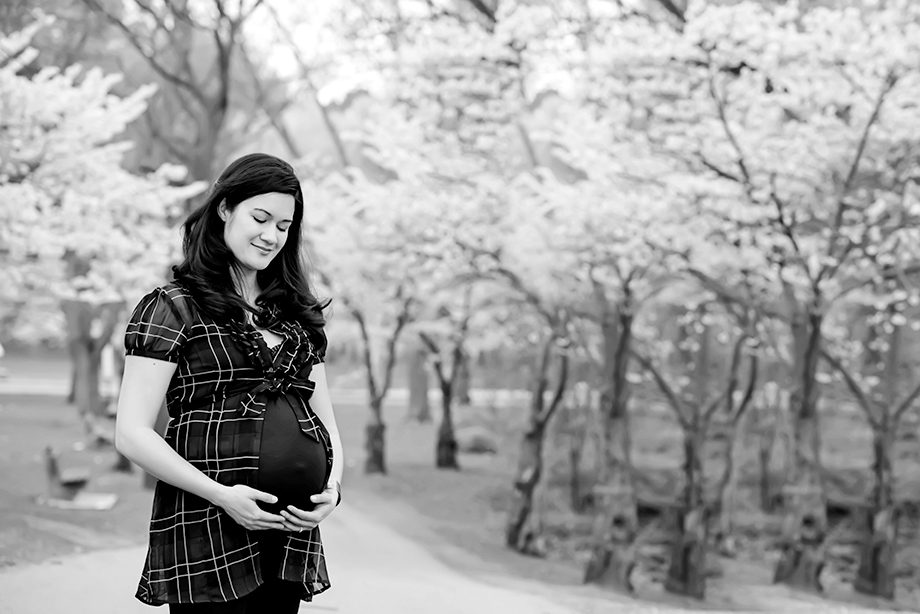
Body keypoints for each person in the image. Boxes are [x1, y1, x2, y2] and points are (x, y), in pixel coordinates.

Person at [115, 153, 343, 613]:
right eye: (260, 217)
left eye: (283, 226)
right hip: (206, 523)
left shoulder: (298, 315)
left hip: (290, 534)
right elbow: (131, 433)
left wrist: (333, 490)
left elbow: (324, 421)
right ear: (224, 209)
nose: (271, 235)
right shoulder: (174, 307)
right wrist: (223, 496)